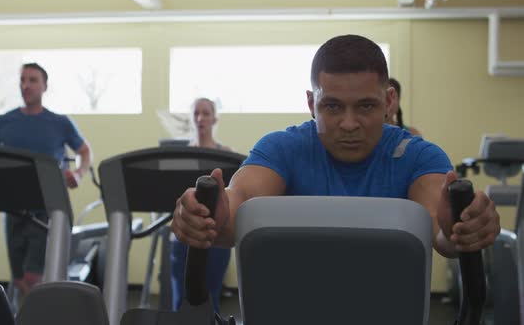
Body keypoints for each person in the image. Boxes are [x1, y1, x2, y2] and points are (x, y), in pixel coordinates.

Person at [172, 35, 500, 263]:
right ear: (311, 103)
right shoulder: (283, 148)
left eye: (366, 107)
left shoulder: (418, 155)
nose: (348, 123)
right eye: (332, 106)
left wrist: (461, 229)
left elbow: (438, 230)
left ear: (388, 102)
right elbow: (238, 205)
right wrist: (209, 216)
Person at [0, 62, 93, 296]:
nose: (26, 85)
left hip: (47, 206)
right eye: (23, 80)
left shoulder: (59, 122)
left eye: (33, 80)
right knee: (20, 279)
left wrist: (78, 174)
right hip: (12, 207)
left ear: (44, 86)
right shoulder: (3, 122)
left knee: (35, 276)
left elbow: (84, 151)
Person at [170, 98, 231, 313]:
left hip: (214, 235)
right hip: (183, 235)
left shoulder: (226, 154)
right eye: (196, 113)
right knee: (181, 300)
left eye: (206, 113)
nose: (200, 118)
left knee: (210, 298)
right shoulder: (179, 156)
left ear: (214, 118)